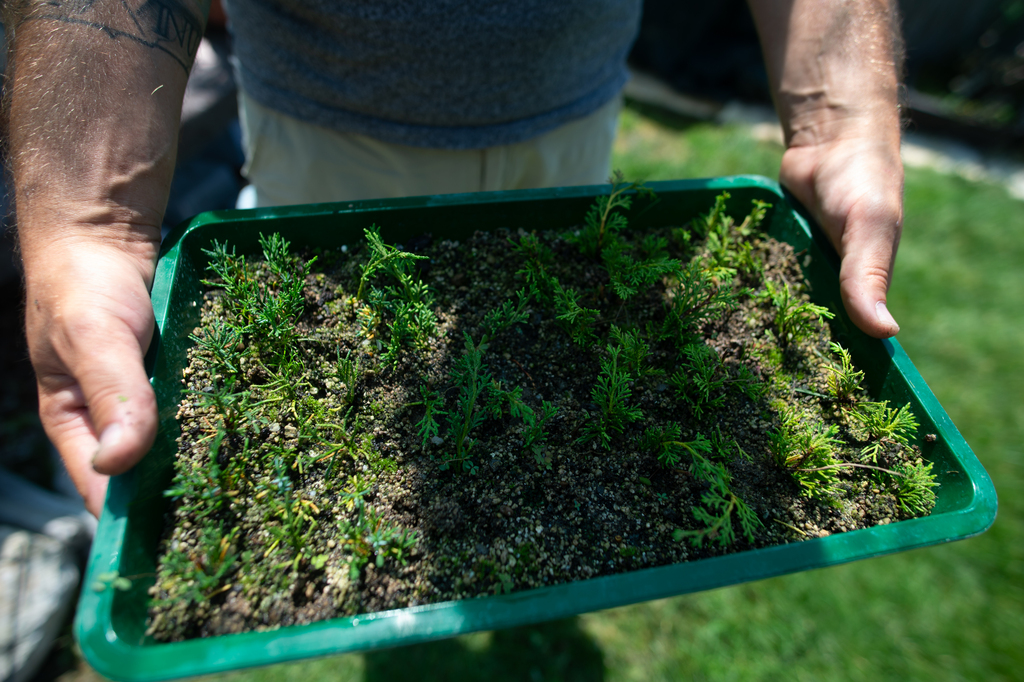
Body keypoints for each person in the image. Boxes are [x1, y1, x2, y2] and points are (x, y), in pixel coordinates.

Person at [2, 0, 905, 517]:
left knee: (567, 341)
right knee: (348, 377)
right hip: (328, 131)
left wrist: (841, 115)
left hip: (574, 114)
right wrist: (93, 217)